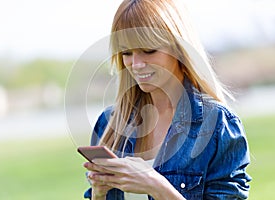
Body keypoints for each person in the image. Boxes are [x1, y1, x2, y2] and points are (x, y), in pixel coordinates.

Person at [82, 0, 251, 199]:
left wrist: (156, 186)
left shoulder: (217, 124)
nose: (136, 64)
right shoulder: (110, 124)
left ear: (178, 48)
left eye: (149, 50)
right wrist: (99, 193)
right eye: (127, 53)